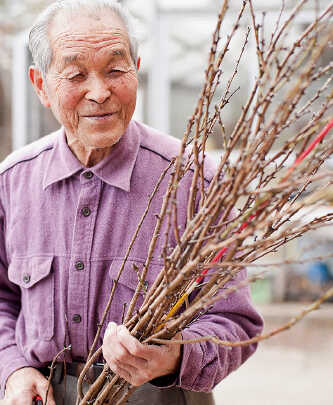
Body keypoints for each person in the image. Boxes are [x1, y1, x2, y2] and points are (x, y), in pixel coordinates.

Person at [0, 1, 263, 404]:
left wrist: (175, 356)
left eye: (115, 69)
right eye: (75, 74)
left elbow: (236, 321)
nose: (100, 92)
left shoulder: (195, 182)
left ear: (135, 68)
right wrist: (14, 369)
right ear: (41, 85)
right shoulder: (13, 182)